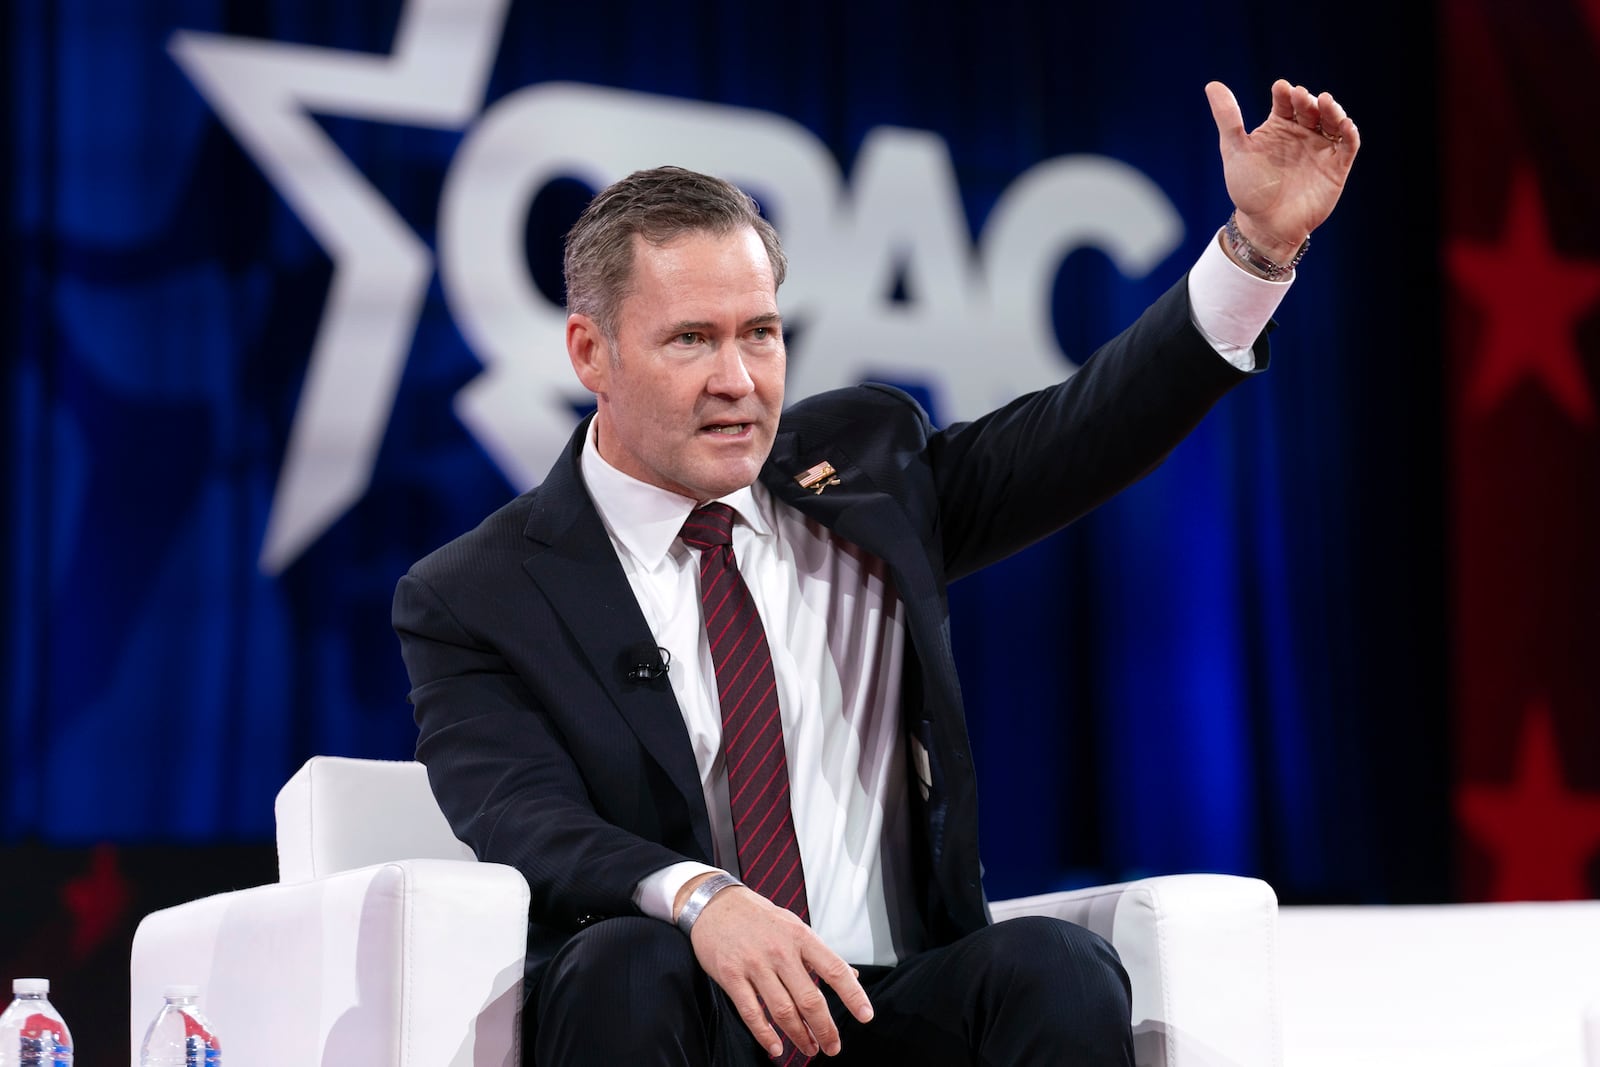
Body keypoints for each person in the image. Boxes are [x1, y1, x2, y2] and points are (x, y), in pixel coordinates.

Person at [393, 78, 1358, 1066]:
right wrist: (703, 898)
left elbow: (1084, 430)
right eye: (691, 339)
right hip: (681, 1002)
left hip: (888, 1005)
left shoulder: (866, 473)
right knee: (628, 963)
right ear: (589, 352)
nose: (738, 380)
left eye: (759, 333)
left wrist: (1255, 250)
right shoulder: (477, 592)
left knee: (1056, 968)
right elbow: (523, 816)